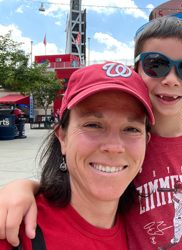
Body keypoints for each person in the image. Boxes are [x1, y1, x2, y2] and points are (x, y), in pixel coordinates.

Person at [0, 16, 182, 250]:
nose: (171, 79)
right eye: (156, 65)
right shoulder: (130, 153)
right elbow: (79, 186)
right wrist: (23, 187)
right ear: (136, 71)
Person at [0, 61, 154, 249]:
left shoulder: (149, 230)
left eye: (131, 128)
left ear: (146, 142)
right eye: (93, 125)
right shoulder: (13, 230)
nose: (114, 147)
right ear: (63, 137)